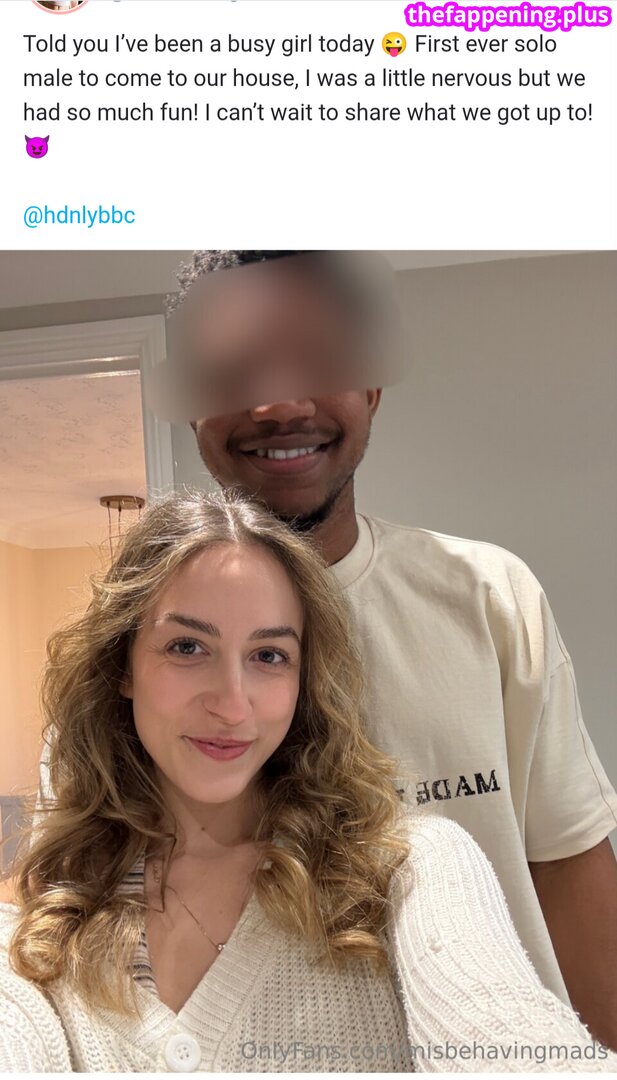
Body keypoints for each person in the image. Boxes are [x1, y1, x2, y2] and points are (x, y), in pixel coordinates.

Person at [163, 250, 617, 1048]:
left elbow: (566, 866)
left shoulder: (489, 597)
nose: (279, 402)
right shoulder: (134, 649)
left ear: (371, 384)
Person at [1, 490, 615, 1072]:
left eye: (269, 656)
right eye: (187, 647)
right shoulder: (51, 921)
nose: (232, 705)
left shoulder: (411, 870)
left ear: (303, 681)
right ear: (123, 665)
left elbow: (502, 1028)